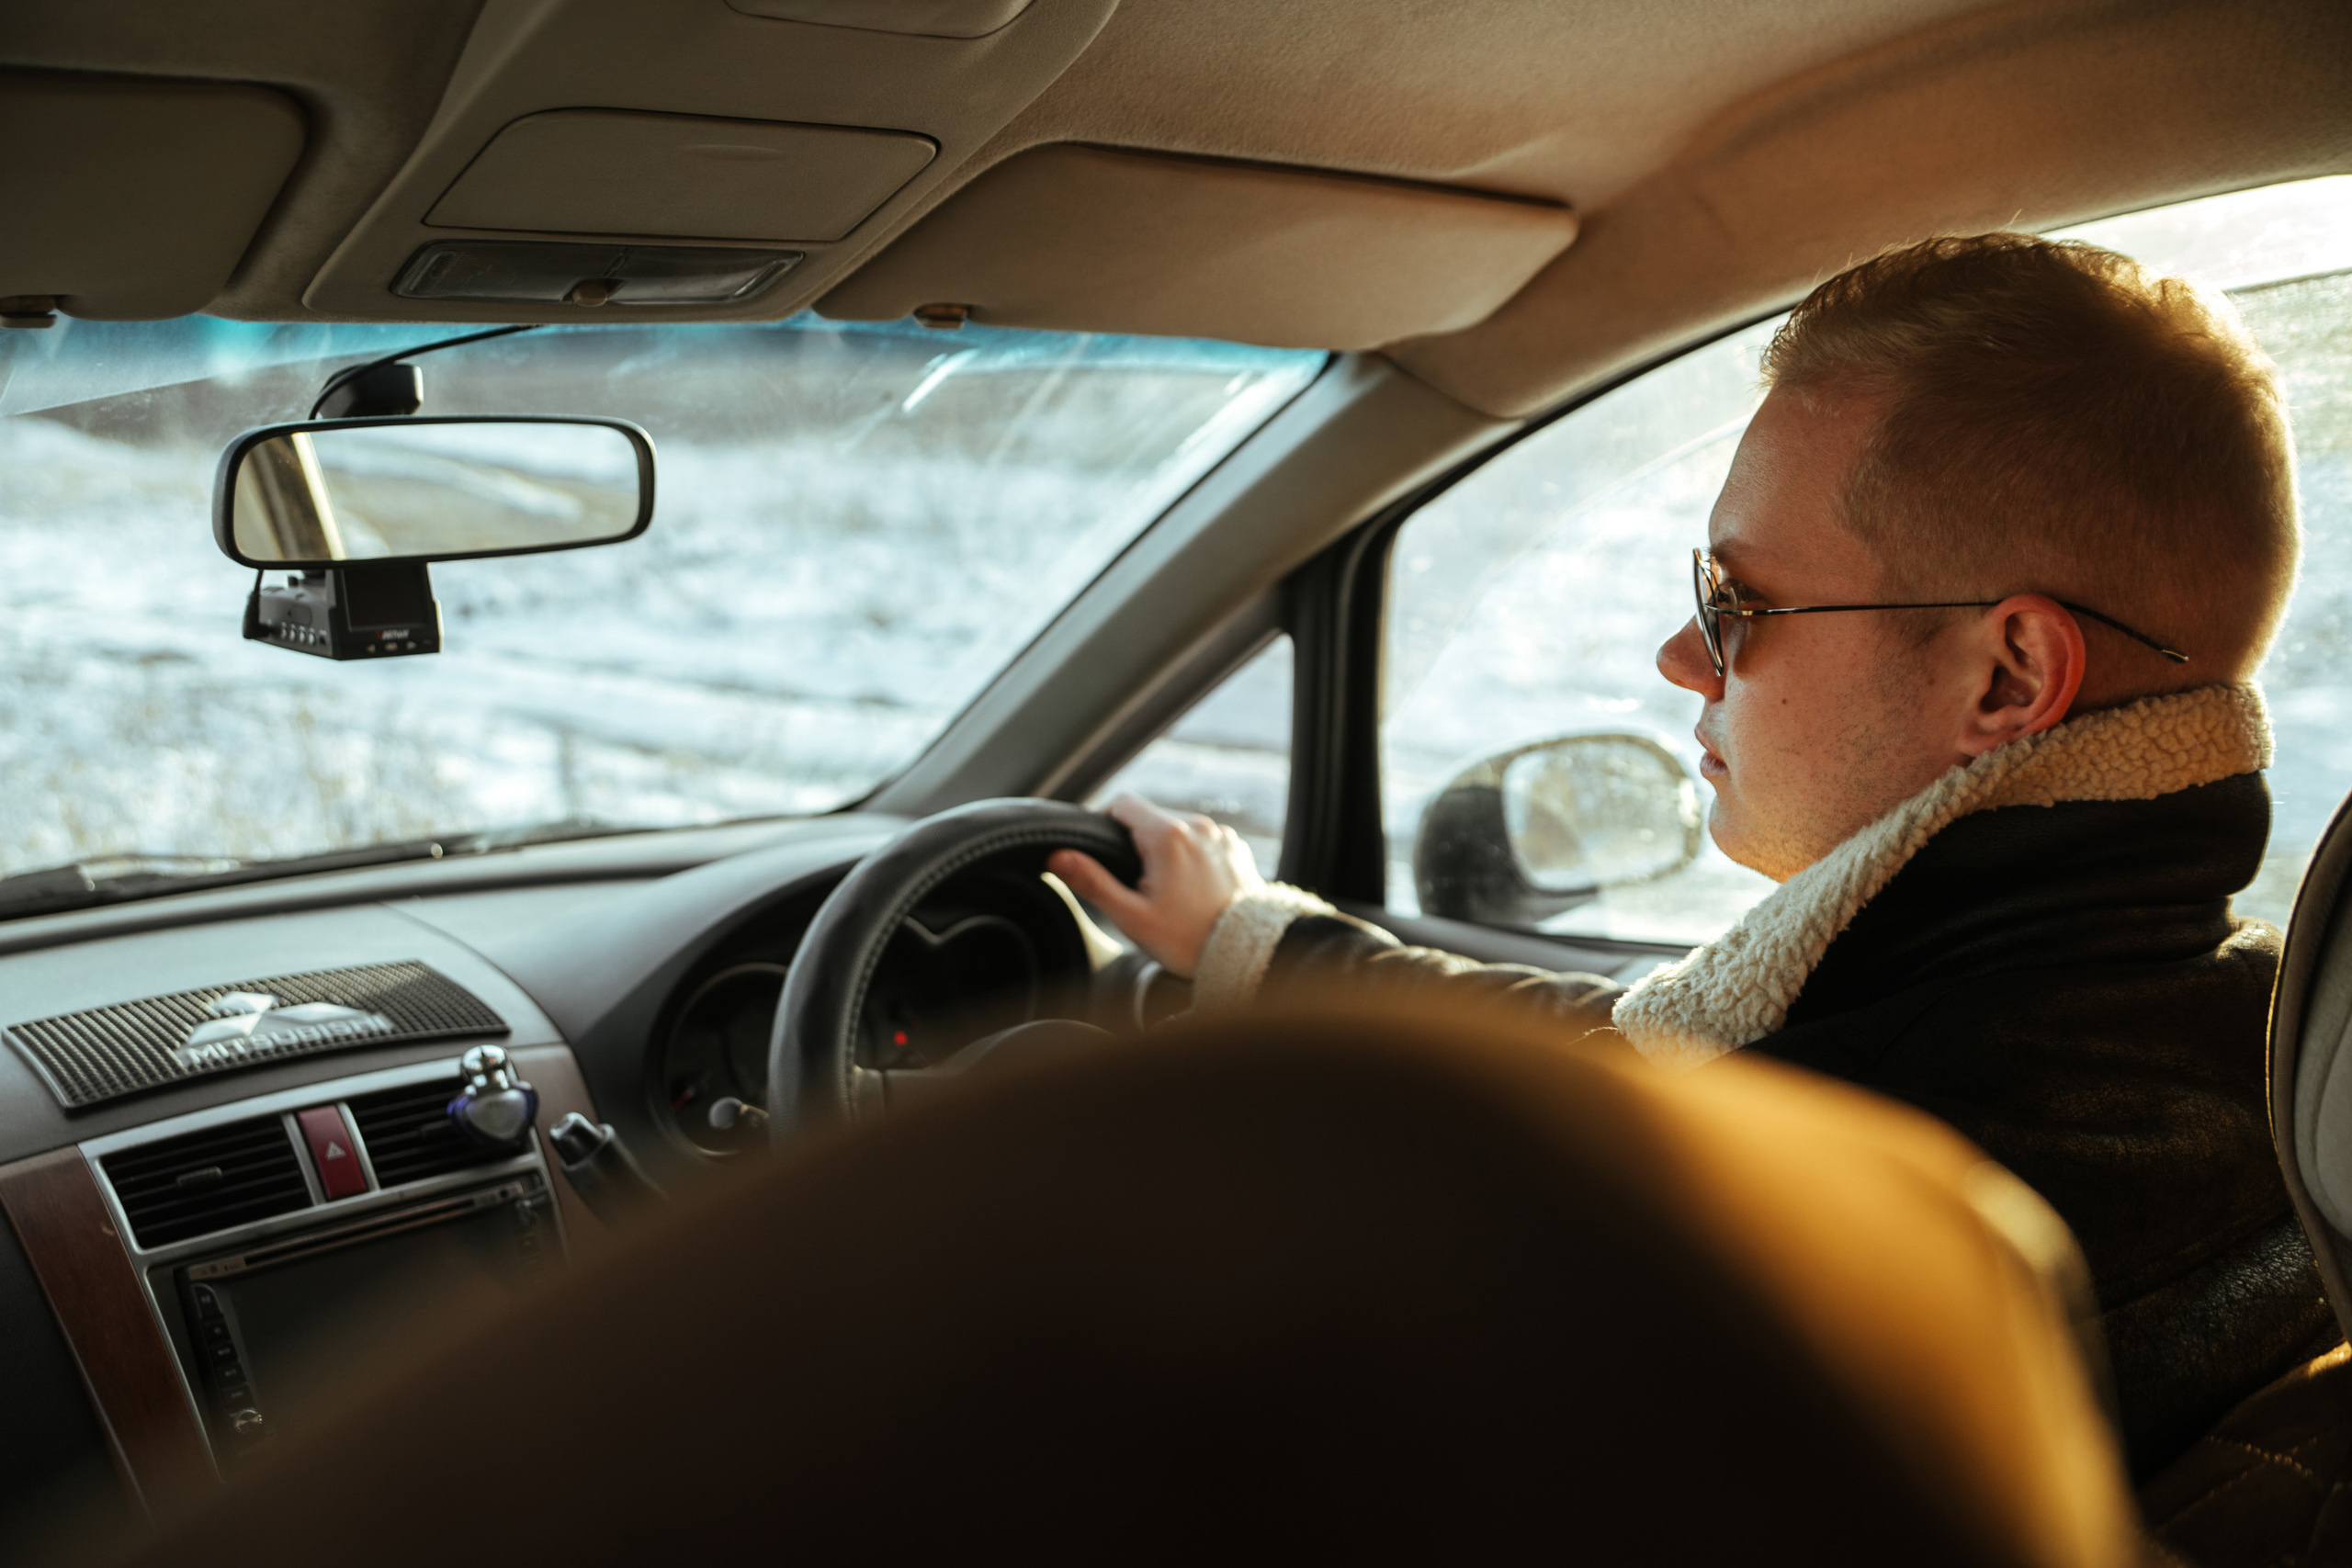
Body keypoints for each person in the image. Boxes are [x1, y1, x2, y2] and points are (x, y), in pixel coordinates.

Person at [1047, 231, 2336, 1483]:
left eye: (1738, 603)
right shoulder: (2251, 1033)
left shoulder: (1772, 1234)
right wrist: (1257, 941)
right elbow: (1631, 1054)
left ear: (2007, 676)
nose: (1679, 656)